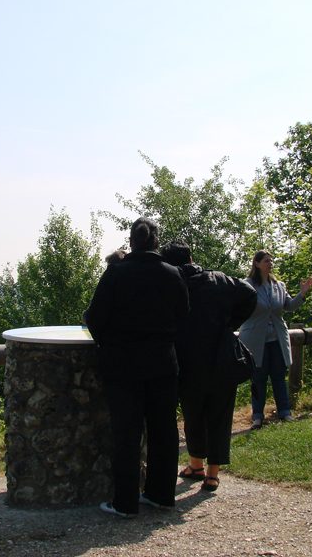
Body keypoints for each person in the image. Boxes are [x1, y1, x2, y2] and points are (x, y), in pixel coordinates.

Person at [85, 217, 189, 518]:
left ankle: (125, 502)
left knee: (127, 433)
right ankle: (161, 495)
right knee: (165, 432)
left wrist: (109, 343)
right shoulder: (173, 274)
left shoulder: (117, 273)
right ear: (156, 241)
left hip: (123, 365)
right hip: (163, 363)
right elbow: (184, 315)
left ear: (131, 241)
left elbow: (94, 317)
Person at [161, 240, 256, 492]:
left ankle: (196, 464)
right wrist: (230, 324)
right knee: (220, 415)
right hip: (223, 357)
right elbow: (250, 295)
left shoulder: (172, 287)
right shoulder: (220, 279)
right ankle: (212, 474)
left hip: (188, 360)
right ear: (191, 258)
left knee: (193, 414)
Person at [239, 251, 312, 430]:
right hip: (255, 341)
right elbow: (239, 308)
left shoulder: (279, 285)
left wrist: (302, 294)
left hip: (277, 340)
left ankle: (285, 413)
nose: (270, 263)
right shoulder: (246, 285)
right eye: (266, 261)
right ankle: (257, 417)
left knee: (279, 377)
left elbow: (288, 306)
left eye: (271, 260)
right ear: (256, 264)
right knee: (258, 379)